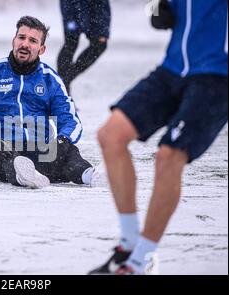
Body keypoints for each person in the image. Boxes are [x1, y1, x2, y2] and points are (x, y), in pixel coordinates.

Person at [89, 0, 228, 275]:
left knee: (168, 156)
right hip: (173, 68)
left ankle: (140, 261)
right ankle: (128, 246)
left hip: (216, 76)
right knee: (110, 136)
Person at [0, 16, 95, 189]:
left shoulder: (50, 79)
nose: (25, 44)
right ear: (14, 40)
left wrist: (64, 139)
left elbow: (69, 118)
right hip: (1, 151)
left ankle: (85, 174)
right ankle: (21, 175)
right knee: (3, 156)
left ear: (41, 49)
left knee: (68, 151)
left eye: (32, 40)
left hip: (40, 152)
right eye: (21, 37)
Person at [57, 0, 111, 94]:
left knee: (100, 44)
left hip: (95, 7)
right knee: (71, 42)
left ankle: (64, 80)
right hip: (72, 5)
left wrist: (102, 29)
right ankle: (63, 90)